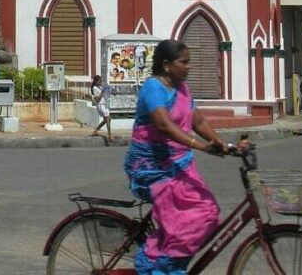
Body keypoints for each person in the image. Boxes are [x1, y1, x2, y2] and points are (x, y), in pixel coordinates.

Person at [123, 40, 227, 275]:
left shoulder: (182, 89)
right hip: (151, 168)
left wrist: (220, 143)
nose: (189, 67)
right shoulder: (153, 87)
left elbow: (197, 121)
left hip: (178, 166)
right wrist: (199, 146)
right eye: (184, 62)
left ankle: (171, 264)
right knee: (179, 224)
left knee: (207, 212)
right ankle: (152, 265)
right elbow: (163, 124)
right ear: (167, 65)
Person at [90, 75, 117, 142]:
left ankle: (95, 131)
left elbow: (105, 92)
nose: (100, 82)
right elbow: (98, 99)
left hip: (103, 105)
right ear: (96, 82)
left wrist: (110, 92)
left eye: (101, 81)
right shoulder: (94, 88)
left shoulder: (99, 87)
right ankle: (110, 136)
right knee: (108, 119)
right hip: (101, 105)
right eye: (99, 81)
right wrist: (102, 92)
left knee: (106, 120)